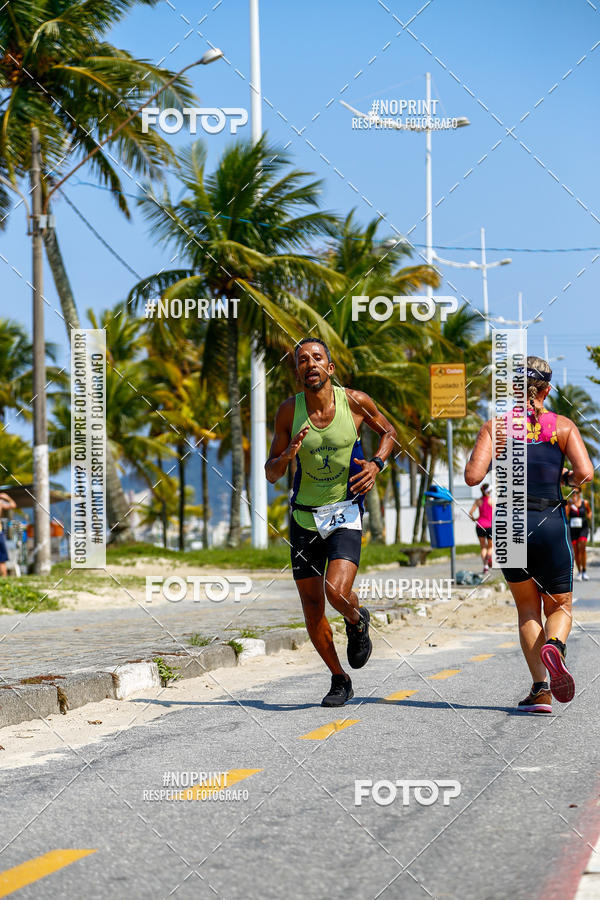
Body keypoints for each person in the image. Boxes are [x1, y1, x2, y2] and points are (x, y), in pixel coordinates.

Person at [265, 338, 397, 707]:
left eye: (317, 358)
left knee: (336, 593)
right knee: (311, 606)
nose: (310, 364)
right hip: (304, 518)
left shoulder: (354, 402)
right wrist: (287, 454)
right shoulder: (289, 412)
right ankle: (339, 678)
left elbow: (390, 433)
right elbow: (271, 473)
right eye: (303, 360)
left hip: (344, 512)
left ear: (330, 367)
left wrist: (376, 464)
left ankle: (356, 620)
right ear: (298, 371)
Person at [465, 356, 593, 714]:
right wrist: (563, 477)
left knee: (526, 608)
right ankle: (555, 644)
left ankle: (540, 689)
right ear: (547, 390)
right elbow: (584, 474)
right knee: (560, 605)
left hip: (508, 525)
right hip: (548, 520)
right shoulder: (562, 426)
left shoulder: (497, 426)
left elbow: (473, 478)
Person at [566, 489, 591, 581]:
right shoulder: (570, 503)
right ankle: (580, 572)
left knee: (582, 547)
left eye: (576, 492)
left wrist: (589, 515)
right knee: (576, 551)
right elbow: (566, 514)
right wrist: (569, 505)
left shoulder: (585, 502)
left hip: (583, 528)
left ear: (580, 493)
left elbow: (589, 511)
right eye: (573, 492)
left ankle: (584, 570)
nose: (574, 494)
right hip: (573, 530)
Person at [469, 484, 493, 572]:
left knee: (483, 547)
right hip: (490, 526)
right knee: (491, 547)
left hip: (480, 526)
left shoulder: (478, 501)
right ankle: (489, 558)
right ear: (488, 492)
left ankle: (485, 566)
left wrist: (474, 519)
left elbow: (470, 513)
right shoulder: (492, 501)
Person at [0, 492, 17, 576]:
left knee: (2, 558)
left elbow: (13, 505)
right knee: (2, 558)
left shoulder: (1, 502)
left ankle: (5, 578)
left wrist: (7, 497)